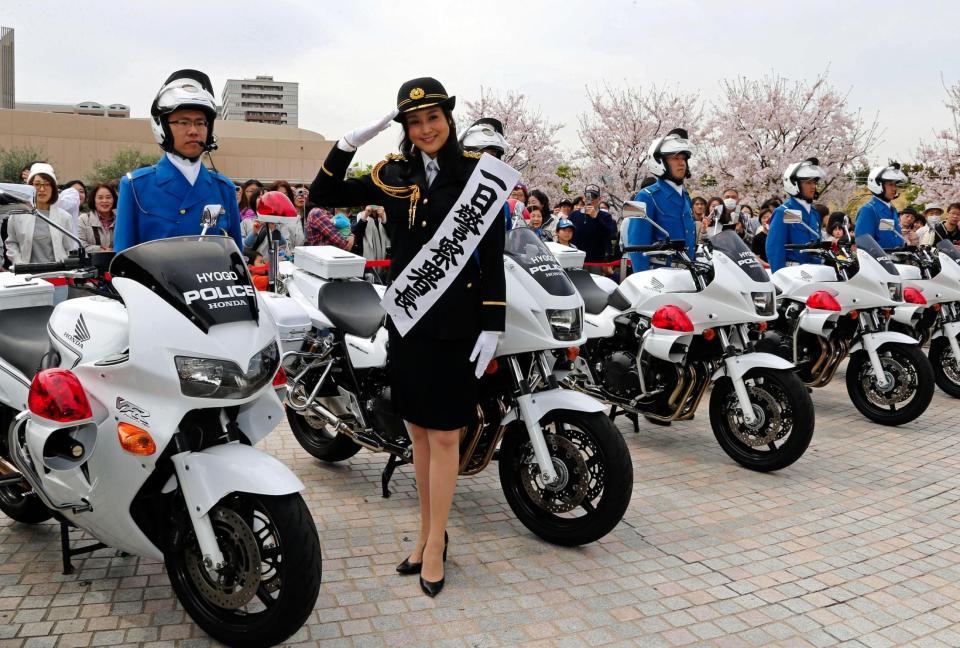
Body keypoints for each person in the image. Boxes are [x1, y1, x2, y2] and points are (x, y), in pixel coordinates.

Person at [309, 77, 507, 598]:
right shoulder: (393, 175)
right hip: (409, 320)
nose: (425, 129)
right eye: (414, 122)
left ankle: (438, 541)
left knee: (445, 435)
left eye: (433, 118)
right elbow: (322, 195)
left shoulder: (478, 176)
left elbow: (491, 255)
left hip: (458, 324)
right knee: (418, 432)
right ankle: (424, 535)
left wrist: (493, 322)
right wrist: (347, 144)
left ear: (448, 117)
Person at [114, 69, 242, 252]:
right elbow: (124, 260)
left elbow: (235, 258)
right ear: (163, 127)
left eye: (200, 123)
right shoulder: (135, 186)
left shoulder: (224, 188)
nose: (193, 130)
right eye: (183, 122)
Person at [626, 129, 696, 271]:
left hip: (688, 275)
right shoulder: (646, 196)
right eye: (675, 158)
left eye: (684, 158)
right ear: (660, 162)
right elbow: (637, 247)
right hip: (660, 277)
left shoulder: (686, 196)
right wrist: (643, 283)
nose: (682, 163)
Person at [4, 163, 78, 267]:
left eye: (47, 184)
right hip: (28, 276)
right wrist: (19, 263)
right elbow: (12, 243)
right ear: (29, 187)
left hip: (57, 275)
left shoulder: (64, 217)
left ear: (53, 188)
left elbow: (69, 248)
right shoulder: (17, 215)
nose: (42, 189)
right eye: (37, 184)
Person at [765, 158, 827, 272]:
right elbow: (775, 250)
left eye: (814, 182)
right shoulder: (783, 212)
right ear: (794, 184)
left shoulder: (814, 213)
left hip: (817, 273)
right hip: (794, 274)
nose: (813, 186)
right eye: (808, 182)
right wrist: (781, 278)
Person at [854, 163, 908, 249]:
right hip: (879, 261)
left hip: (897, 260)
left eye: (895, 185)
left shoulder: (892, 209)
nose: (894, 188)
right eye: (890, 184)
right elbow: (864, 244)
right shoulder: (868, 210)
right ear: (878, 185)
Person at [569, 183, 616, 265]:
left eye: (594, 197)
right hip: (575, 258)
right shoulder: (574, 215)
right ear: (583, 198)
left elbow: (609, 234)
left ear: (599, 199)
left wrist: (595, 217)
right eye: (588, 196)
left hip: (597, 260)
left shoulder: (605, 216)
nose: (591, 199)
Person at [78, 182, 117, 251]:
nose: (104, 201)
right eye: (100, 198)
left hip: (116, 260)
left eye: (108, 197)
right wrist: (99, 250)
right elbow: (79, 243)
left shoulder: (120, 220)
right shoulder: (84, 219)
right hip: (91, 261)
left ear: (114, 200)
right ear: (94, 200)